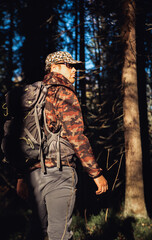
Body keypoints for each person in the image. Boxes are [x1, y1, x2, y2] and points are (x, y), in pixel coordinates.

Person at [16, 51, 108, 240]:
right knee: (59, 233)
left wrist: (20, 177)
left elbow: (19, 138)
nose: (74, 70)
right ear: (54, 67)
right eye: (69, 65)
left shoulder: (32, 96)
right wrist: (96, 173)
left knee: (36, 232)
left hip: (33, 176)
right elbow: (76, 136)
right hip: (59, 173)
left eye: (74, 66)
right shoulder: (63, 92)